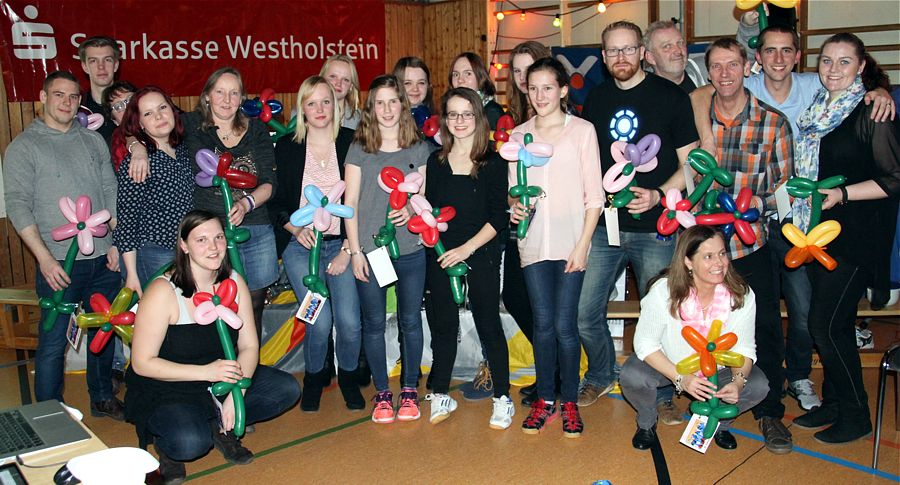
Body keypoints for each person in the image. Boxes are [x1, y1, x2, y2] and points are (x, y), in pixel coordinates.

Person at [692, 22, 894, 414]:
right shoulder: (743, 89)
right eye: (770, 51)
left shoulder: (820, 91)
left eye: (787, 51)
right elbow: (702, 93)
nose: (778, 59)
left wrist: (879, 89)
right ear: (758, 59)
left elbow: (884, 168)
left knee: (805, 313)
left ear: (798, 57)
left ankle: (800, 378)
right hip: (755, 229)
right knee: (746, 311)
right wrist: (708, 133)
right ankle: (736, 386)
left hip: (806, 225)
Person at [125, 210, 300, 483]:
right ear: (183, 245)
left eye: (218, 237)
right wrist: (207, 372)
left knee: (286, 389)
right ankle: (168, 447)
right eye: (202, 240)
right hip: (170, 385)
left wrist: (236, 393)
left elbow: (249, 347)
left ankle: (220, 426)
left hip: (221, 378)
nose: (214, 247)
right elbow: (142, 362)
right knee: (190, 443)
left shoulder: (233, 282)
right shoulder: (162, 292)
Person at [578, 21, 698, 421]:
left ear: (643, 52)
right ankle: (600, 373)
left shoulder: (671, 97)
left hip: (658, 231)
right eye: (612, 52)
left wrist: (660, 194)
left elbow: (692, 164)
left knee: (661, 316)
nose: (621, 58)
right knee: (583, 312)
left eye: (628, 49)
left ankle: (662, 393)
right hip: (605, 226)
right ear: (603, 55)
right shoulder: (595, 100)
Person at [790, 33, 900, 444]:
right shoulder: (820, 109)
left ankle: (857, 414)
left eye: (844, 62)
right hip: (819, 234)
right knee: (832, 323)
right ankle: (835, 402)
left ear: (861, 67)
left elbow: (895, 179)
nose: (833, 69)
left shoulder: (872, 110)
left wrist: (843, 194)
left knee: (826, 324)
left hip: (856, 235)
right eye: (827, 61)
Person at [3, 70, 122, 419]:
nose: (66, 103)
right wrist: (44, 259)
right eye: (59, 95)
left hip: (104, 260)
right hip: (59, 265)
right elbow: (18, 206)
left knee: (104, 331)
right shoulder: (24, 147)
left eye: (73, 97)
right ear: (43, 97)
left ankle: (102, 398)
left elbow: (109, 189)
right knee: (54, 343)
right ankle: (50, 416)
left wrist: (115, 242)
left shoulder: (92, 141)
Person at [700, 37, 793, 454]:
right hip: (705, 251)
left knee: (766, 330)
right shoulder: (698, 121)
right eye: (716, 67)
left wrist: (761, 202)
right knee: (702, 329)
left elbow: (789, 191)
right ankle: (706, 404)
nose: (724, 74)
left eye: (732, 65)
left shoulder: (773, 123)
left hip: (752, 248)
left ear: (746, 67)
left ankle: (770, 412)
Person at [510, 57, 604, 438]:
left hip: (571, 245)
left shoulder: (582, 131)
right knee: (543, 326)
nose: (539, 95)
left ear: (563, 90)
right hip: (533, 246)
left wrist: (582, 246)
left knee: (566, 327)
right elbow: (513, 192)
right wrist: (514, 207)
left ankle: (568, 400)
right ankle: (544, 400)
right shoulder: (518, 136)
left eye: (548, 87)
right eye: (532, 88)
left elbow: (594, 197)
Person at [620, 225, 768, 451]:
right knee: (633, 375)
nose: (719, 263)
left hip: (719, 369)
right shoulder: (664, 291)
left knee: (758, 385)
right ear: (688, 262)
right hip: (672, 364)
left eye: (722, 254)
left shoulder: (742, 295)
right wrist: (681, 378)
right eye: (708, 256)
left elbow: (745, 350)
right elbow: (644, 344)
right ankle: (647, 422)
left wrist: (738, 383)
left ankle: (720, 424)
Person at [269, 76, 363, 412]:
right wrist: (294, 229)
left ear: (336, 106)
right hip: (300, 250)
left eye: (326, 101)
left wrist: (346, 251)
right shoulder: (288, 147)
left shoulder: (353, 143)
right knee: (318, 319)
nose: (320, 109)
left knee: (350, 322)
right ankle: (314, 377)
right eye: (312, 103)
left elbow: (359, 204)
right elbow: (276, 201)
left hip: (342, 246)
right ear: (302, 109)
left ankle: (349, 378)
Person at [344, 75, 433, 424]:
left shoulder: (419, 148)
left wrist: (411, 210)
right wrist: (354, 251)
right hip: (370, 251)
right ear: (371, 108)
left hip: (410, 249)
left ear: (403, 105)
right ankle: (382, 393)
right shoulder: (359, 148)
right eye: (378, 102)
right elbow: (349, 202)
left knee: (411, 320)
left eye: (392, 101)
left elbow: (423, 198)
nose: (386, 109)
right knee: (375, 323)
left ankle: (410, 388)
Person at [423, 87, 513, 428]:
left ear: (478, 118)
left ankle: (502, 396)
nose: (459, 121)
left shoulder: (493, 161)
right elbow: (431, 212)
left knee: (489, 323)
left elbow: (498, 216)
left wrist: (467, 249)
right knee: (443, 325)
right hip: (442, 256)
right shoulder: (436, 161)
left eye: (466, 114)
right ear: (445, 120)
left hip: (480, 252)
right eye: (452, 114)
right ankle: (441, 391)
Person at [504, 41, 550, 405]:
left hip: (551, 226)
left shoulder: (560, 116)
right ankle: (548, 367)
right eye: (516, 71)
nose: (523, 78)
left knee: (544, 304)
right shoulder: (514, 117)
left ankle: (554, 371)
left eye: (529, 68)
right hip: (517, 223)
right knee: (516, 296)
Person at [114, 86, 194, 295]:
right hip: (154, 252)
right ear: (140, 123)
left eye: (162, 108)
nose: (158, 116)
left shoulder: (184, 149)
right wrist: (131, 274)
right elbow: (127, 221)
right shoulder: (138, 161)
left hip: (187, 250)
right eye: (148, 113)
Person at [643, 20, 708, 93]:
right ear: (651, 57)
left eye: (680, 43)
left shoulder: (706, 70)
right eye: (667, 46)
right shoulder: (643, 93)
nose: (678, 51)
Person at [78, 36, 120, 143]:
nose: (101, 66)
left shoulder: (134, 104)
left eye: (107, 60)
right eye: (93, 61)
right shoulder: (75, 108)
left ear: (115, 65)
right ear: (84, 67)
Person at [448, 52, 504, 129]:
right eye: (456, 74)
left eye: (468, 73)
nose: (460, 80)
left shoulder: (492, 112)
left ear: (480, 77)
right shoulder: (449, 111)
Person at [507, 41, 551, 125]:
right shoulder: (512, 113)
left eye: (528, 70)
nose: (522, 77)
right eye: (517, 71)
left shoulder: (561, 111)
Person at [100, 80, 137, 172]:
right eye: (118, 106)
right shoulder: (108, 148)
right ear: (114, 120)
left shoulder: (162, 127)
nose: (128, 107)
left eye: (130, 99)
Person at [320, 54, 362, 129]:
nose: (338, 83)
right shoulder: (301, 114)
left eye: (345, 80)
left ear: (351, 86)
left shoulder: (361, 119)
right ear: (322, 79)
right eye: (333, 76)